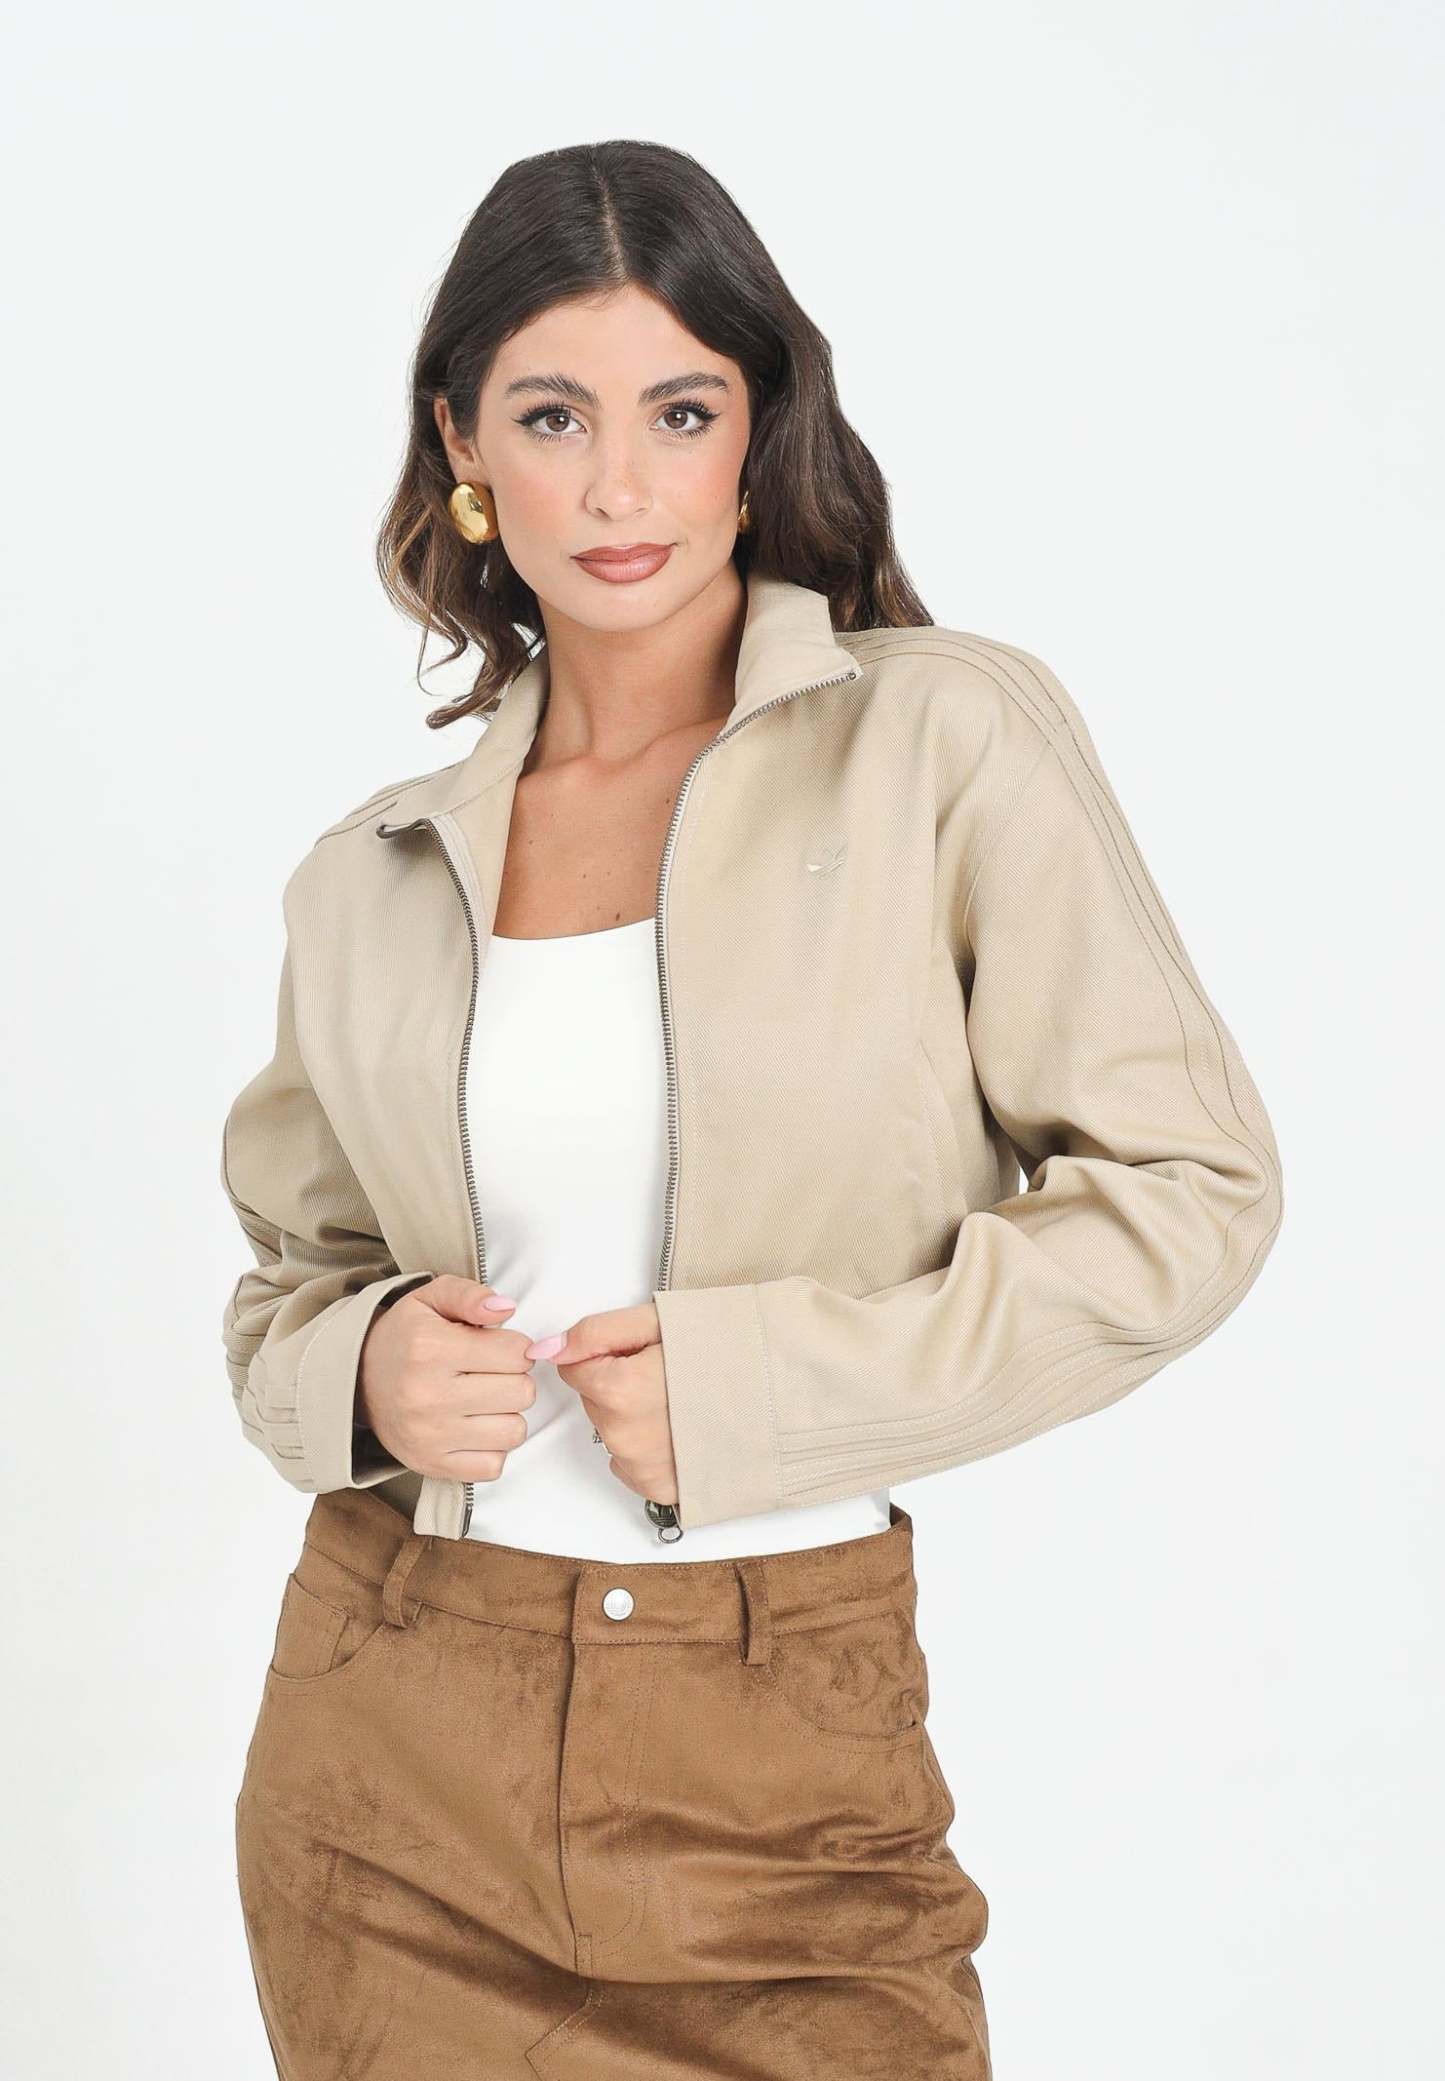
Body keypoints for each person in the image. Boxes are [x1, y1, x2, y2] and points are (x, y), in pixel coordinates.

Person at [220, 140, 1284, 2079]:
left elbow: (1189, 1191)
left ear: (757, 429)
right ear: (464, 442)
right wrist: (358, 1368)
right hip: (390, 1751)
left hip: (781, 1741)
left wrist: (767, 1390)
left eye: (681, 411)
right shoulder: (369, 871)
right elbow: (293, 1270)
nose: (620, 486)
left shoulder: (941, 736)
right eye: (555, 415)